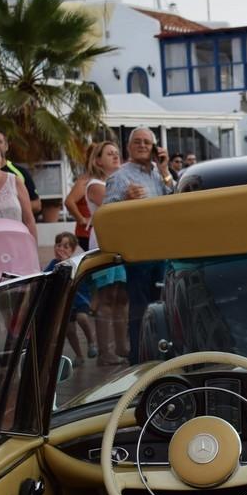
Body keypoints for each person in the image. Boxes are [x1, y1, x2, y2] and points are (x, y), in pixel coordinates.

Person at [105, 128, 176, 364]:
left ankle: (161, 355)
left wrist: (165, 169)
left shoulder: (158, 173)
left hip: (162, 251)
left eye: (147, 142)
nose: (143, 145)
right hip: (139, 255)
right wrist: (125, 199)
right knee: (140, 311)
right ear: (128, 146)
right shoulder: (120, 177)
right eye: (138, 142)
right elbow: (107, 215)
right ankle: (139, 360)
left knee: (163, 308)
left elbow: (176, 199)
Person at [84, 141, 129, 365]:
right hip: (103, 240)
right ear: (98, 160)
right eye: (109, 154)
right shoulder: (95, 184)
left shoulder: (118, 181)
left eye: (116, 153)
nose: (115, 156)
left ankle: (122, 346)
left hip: (120, 238)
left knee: (121, 296)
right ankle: (105, 352)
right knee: (106, 296)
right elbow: (114, 205)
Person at [46, 232, 97, 366]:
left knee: (82, 318)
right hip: (65, 303)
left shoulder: (76, 263)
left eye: (66, 246)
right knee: (69, 330)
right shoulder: (53, 264)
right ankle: (79, 356)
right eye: (58, 245)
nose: (61, 249)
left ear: (72, 250)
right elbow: (46, 278)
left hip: (80, 300)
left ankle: (91, 342)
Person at [64, 144, 99, 251]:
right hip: (87, 233)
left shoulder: (100, 179)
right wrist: (82, 219)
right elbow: (69, 202)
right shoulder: (85, 181)